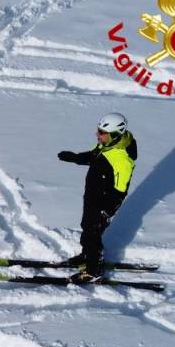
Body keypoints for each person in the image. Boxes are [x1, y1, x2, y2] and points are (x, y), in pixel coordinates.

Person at [57, 113, 137, 283]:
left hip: (104, 201)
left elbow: (120, 190)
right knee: (87, 225)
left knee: (93, 232)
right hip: (94, 193)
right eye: (99, 130)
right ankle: (87, 255)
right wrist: (75, 158)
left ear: (115, 134)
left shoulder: (121, 159)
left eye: (101, 132)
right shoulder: (108, 144)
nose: (97, 134)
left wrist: (106, 211)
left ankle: (94, 270)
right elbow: (95, 156)